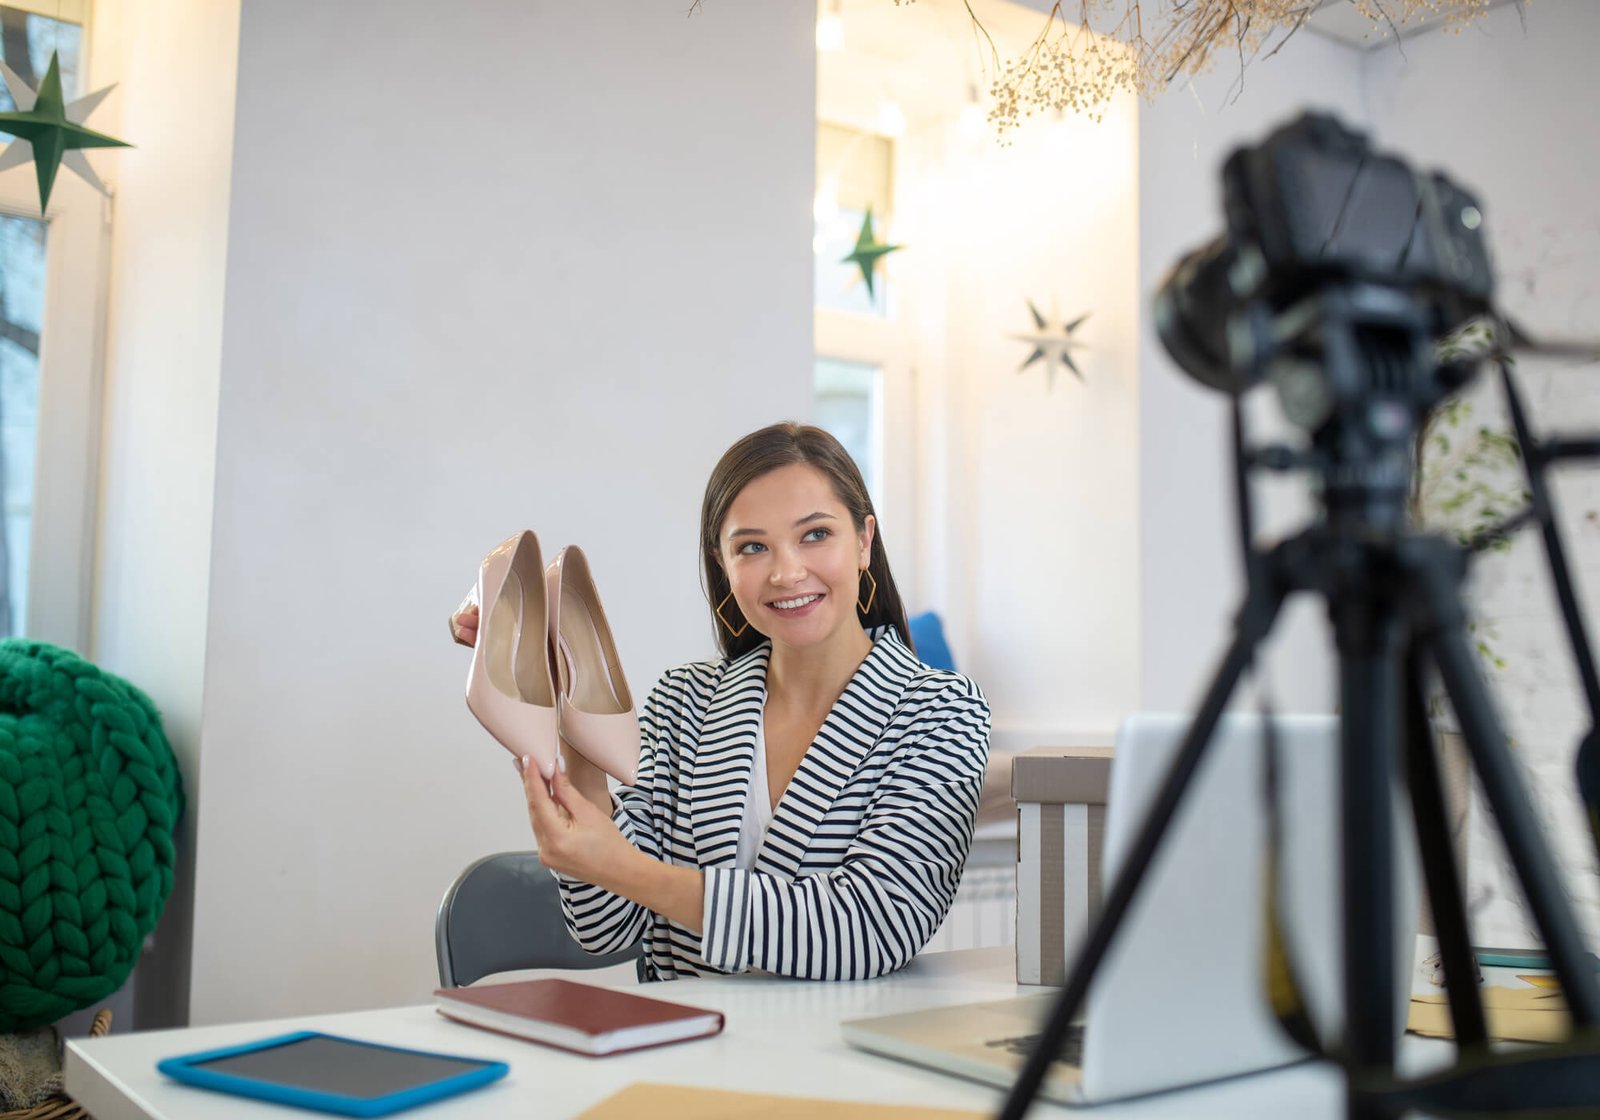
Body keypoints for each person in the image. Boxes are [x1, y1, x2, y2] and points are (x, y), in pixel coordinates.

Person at [450, 422, 991, 980]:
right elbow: (603, 928)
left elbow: (869, 929)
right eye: (752, 547)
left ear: (863, 541)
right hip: (681, 1055)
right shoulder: (684, 700)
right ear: (724, 565)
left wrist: (623, 867)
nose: (786, 572)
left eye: (815, 535)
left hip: (833, 1058)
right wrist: (574, 738)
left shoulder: (942, 713)